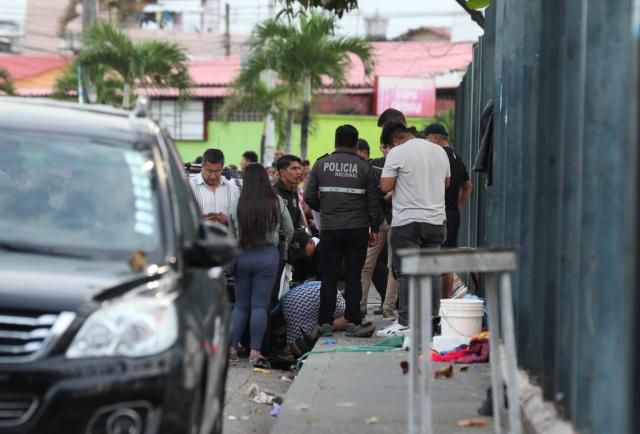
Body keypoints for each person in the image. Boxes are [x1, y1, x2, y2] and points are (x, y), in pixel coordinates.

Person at [304, 124, 382, 338]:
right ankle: (353, 322)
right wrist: (374, 228)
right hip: (357, 229)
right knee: (354, 275)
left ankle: (325, 323)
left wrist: (327, 209)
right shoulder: (364, 167)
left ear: (335, 141)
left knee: (328, 275)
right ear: (356, 143)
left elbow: (309, 197)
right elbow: (373, 202)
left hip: (330, 228)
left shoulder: (321, 165)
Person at [376, 122, 451, 337]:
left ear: (395, 140)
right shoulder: (439, 151)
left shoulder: (398, 152)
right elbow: (446, 184)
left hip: (407, 221)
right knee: (433, 273)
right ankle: (431, 320)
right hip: (436, 220)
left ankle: (405, 322)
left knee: (407, 273)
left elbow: (385, 186)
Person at [227, 163, 294, 368]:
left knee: (240, 305)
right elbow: (289, 230)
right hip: (267, 256)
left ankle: (231, 348)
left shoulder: (237, 202)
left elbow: (231, 233)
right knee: (259, 305)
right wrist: (281, 245)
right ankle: (255, 351)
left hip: (242, 255)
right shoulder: (276, 201)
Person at [424, 123, 473, 297]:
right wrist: (458, 206)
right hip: (452, 214)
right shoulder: (456, 157)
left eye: (427, 138)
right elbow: (468, 186)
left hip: (435, 214)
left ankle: (432, 305)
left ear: (436, 137)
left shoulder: (435, 156)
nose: (426, 143)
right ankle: (444, 304)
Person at [189, 149, 239, 226]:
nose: (213, 176)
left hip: (226, 237)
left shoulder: (233, 189)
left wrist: (229, 220)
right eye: (209, 171)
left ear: (222, 167)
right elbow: (181, 217)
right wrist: (198, 220)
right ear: (202, 166)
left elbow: (240, 220)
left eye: (217, 171)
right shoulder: (189, 187)